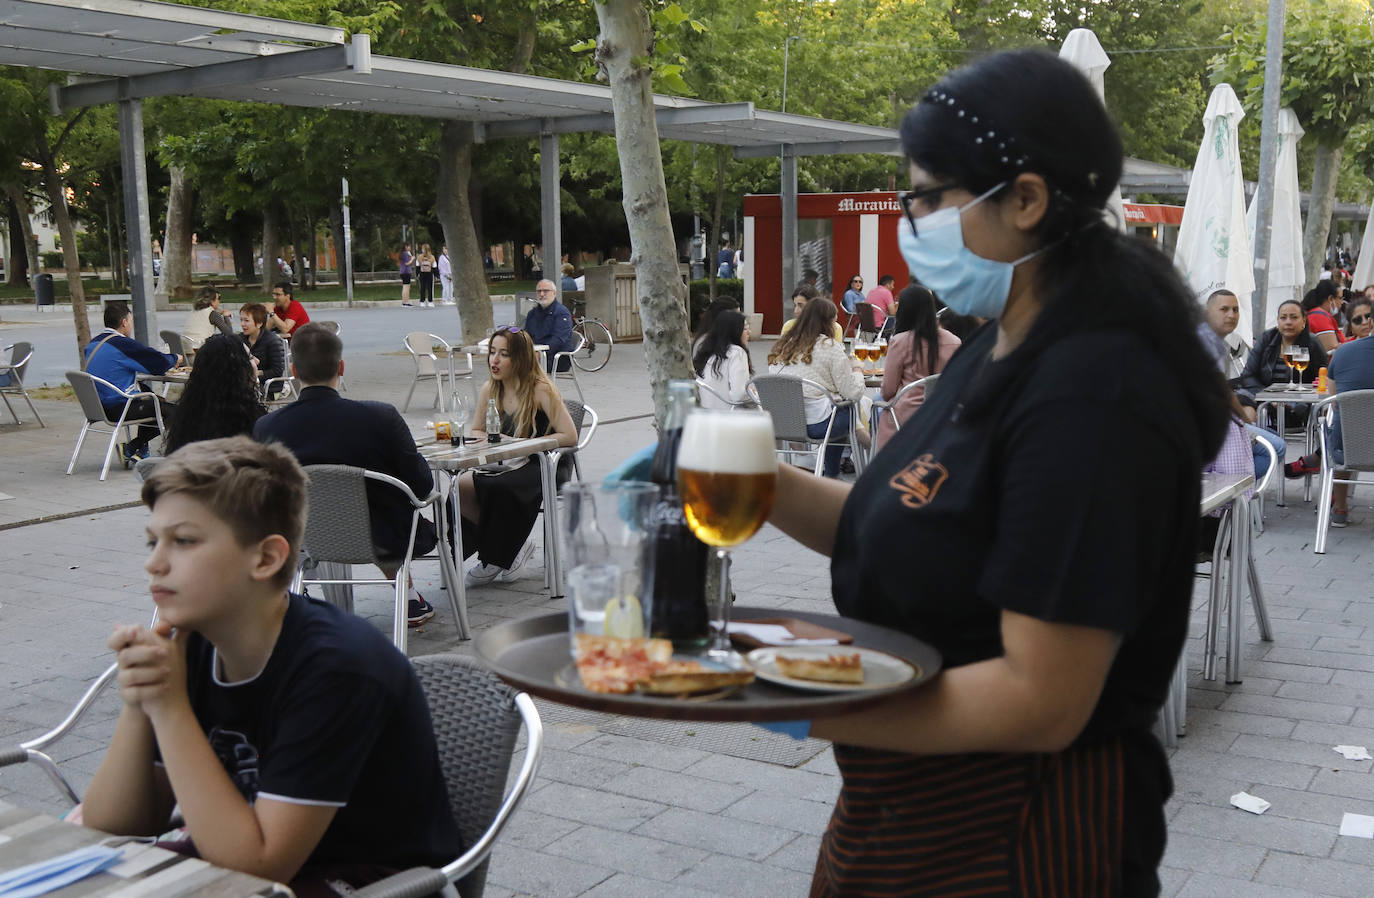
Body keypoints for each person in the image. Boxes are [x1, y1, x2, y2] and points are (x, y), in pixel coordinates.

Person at [762, 50, 1230, 896]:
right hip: (899, 814)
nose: (911, 224)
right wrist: (759, 485)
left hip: (1019, 835)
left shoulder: (1096, 389)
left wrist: (789, 699)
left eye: (929, 200)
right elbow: (911, 519)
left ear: (1026, 199)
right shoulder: (1003, 342)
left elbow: (1041, 697)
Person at [80, 437, 459, 894]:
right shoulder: (195, 645)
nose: (154, 564)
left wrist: (169, 707)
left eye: (182, 541)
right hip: (246, 861)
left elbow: (259, 868)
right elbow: (112, 823)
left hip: (371, 881)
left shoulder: (336, 668)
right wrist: (142, 699)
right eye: (152, 541)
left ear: (266, 557)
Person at [254, 324, 440, 625]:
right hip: (385, 538)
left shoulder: (266, 427)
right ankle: (407, 595)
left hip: (303, 538)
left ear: (293, 370)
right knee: (395, 506)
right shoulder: (380, 417)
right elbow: (422, 486)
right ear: (341, 367)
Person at [460, 327, 578, 585]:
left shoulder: (540, 389)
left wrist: (519, 443)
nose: (494, 360)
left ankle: (499, 555)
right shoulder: (490, 389)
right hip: (506, 460)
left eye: (504, 354)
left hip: (545, 461)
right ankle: (511, 549)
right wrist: (490, 440)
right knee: (460, 485)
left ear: (521, 359)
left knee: (498, 487)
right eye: (492, 353)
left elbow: (570, 436)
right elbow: (477, 430)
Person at [767, 297, 865, 478]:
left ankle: (822, 470)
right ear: (828, 322)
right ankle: (833, 472)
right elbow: (853, 392)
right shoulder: (831, 347)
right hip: (820, 425)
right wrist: (858, 369)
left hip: (785, 422)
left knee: (835, 406)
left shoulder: (782, 347)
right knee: (849, 409)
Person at [1199, 288, 1285, 480]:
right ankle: (1231, 489)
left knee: (1265, 435)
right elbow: (1223, 391)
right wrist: (1245, 419)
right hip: (1204, 425)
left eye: (1236, 310)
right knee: (1276, 447)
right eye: (1224, 309)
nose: (1231, 315)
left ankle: (1231, 484)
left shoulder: (1211, 339)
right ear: (1207, 312)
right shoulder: (1207, 341)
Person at [84, 301, 182, 464]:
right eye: (130, 321)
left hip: (97, 406)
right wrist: (174, 358)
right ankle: (132, 447)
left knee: (155, 401)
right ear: (124, 322)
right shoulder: (122, 344)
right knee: (175, 412)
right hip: (118, 407)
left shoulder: (94, 343)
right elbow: (157, 364)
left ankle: (138, 451)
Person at [875, 284, 961, 449]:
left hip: (906, 417)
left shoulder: (900, 341)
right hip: (943, 414)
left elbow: (887, 392)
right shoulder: (954, 341)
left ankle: (878, 465)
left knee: (876, 404)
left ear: (904, 311)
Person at [163, 335, 266, 456]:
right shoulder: (254, 421)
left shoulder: (187, 417)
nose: (257, 361)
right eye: (250, 358)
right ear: (236, 371)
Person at [1239, 300, 1329, 423]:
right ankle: (1252, 440)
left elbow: (1323, 378)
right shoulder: (1267, 339)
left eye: (1294, 317)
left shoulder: (1312, 343)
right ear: (1278, 321)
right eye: (1283, 317)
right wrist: (1269, 398)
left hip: (1298, 403)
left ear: (1303, 321)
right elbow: (1248, 375)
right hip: (1264, 398)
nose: (1288, 322)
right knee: (1242, 403)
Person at [693, 309, 752, 409]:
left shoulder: (705, 353)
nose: (749, 332)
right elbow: (739, 395)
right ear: (735, 331)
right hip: (726, 417)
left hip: (704, 414)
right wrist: (752, 392)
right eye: (745, 328)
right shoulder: (737, 353)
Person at [523, 279, 575, 373]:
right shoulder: (532, 313)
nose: (542, 294)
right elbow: (526, 335)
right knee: (507, 361)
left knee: (519, 367)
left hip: (558, 358)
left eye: (546, 291)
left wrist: (539, 354)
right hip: (536, 355)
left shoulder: (562, 313)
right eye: (539, 291)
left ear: (554, 293)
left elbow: (558, 339)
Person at [240, 303, 287, 398]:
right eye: (241, 320)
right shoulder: (241, 338)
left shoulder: (273, 341)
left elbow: (277, 370)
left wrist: (255, 375)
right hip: (247, 384)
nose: (242, 324)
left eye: (246, 320)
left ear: (259, 323)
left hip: (269, 387)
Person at [1302, 280, 1346, 352]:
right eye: (1340, 298)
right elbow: (1331, 350)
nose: (1341, 302)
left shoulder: (1317, 315)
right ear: (1330, 298)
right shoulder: (1319, 317)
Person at [415, 244, 437, 309]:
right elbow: (434, 266)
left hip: (422, 273)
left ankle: (422, 301)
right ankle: (430, 302)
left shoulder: (419, 257)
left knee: (422, 287)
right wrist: (436, 275)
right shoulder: (432, 257)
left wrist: (417, 274)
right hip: (429, 273)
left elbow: (417, 266)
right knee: (430, 288)